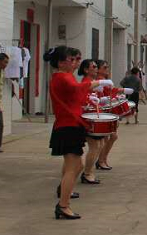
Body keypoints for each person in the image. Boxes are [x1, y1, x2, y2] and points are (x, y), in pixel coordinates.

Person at [46, 46, 111, 220]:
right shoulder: (62, 77)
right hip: (68, 125)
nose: (75, 62)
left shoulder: (64, 76)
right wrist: (99, 83)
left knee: (74, 165)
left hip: (71, 123)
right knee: (74, 165)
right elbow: (76, 89)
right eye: (72, 59)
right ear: (61, 62)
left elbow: (77, 95)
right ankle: (63, 204)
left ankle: (64, 195)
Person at [94, 60, 118, 170]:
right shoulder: (98, 81)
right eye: (104, 67)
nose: (107, 69)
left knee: (110, 137)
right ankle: (101, 160)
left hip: (107, 110)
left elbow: (111, 93)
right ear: (98, 69)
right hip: (102, 111)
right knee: (108, 137)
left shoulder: (104, 81)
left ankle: (102, 159)